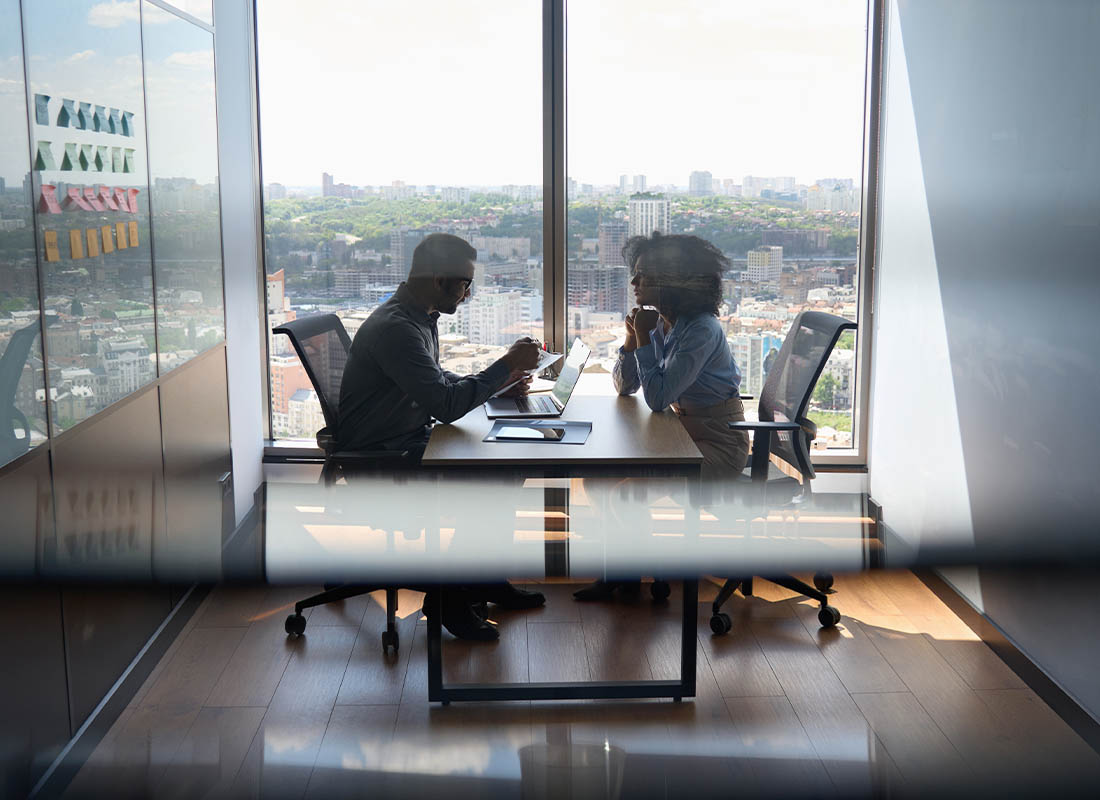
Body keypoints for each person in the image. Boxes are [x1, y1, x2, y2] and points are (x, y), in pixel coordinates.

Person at [338, 232, 546, 639]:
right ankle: (449, 597)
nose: (468, 294)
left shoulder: (417, 317)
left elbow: (435, 382)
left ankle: (480, 579)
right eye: (465, 283)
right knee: (495, 478)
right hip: (385, 458)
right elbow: (445, 406)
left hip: (406, 441)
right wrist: (504, 365)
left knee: (506, 465)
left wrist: (499, 383)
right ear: (438, 279)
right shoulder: (396, 328)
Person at [574, 232, 749, 602]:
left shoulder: (701, 329)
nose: (634, 283)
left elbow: (657, 398)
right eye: (635, 274)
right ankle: (620, 574)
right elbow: (625, 388)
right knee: (596, 483)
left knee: (626, 496)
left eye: (644, 276)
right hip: (683, 435)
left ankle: (638, 571)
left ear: (673, 281)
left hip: (718, 444)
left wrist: (642, 339)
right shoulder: (662, 323)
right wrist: (629, 339)